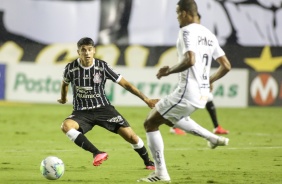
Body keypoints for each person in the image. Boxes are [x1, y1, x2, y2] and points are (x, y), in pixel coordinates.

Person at [137, 0, 231, 182]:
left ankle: (161, 173)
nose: (177, 17)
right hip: (202, 94)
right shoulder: (209, 34)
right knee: (173, 119)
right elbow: (226, 66)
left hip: (188, 92)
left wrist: (168, 71)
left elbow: (190, 60)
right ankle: (212, 138)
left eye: (178, 12)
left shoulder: (187, 31)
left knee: (150, 123)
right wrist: (208, 80)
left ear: (186, 13)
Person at [58, 37, 156, 170]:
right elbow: (65, 83)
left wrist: (146, 99)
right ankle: (97, 153)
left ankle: (148, 162)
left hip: (103, 109)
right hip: (81, 112)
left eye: (89, 49)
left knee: (131, 137)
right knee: (66, 126)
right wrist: (63, 98)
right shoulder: (71, 68)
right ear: (78, 52)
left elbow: (125, 84)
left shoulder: (102, 66)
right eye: (83, 50)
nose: (87, 53)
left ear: (94, 51)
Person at [170, 13, 229, 136]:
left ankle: (216, 127)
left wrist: (209, 80)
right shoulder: (189, 35)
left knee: (205, 99)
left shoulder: (201, 36)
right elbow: (190, 59)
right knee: (188, 101)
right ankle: (175, 125)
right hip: (190, 77)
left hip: (200, 78)